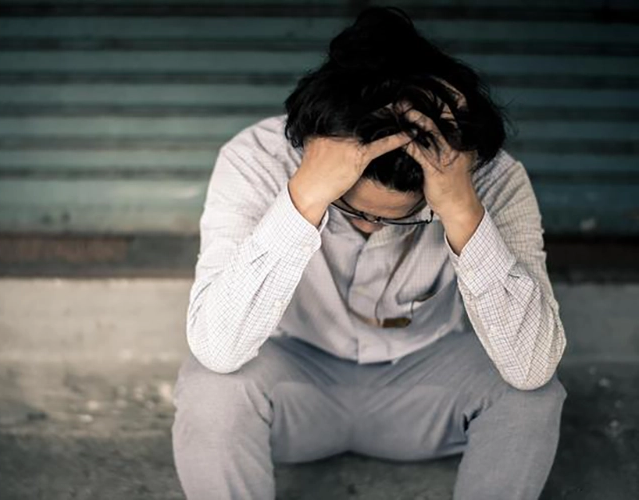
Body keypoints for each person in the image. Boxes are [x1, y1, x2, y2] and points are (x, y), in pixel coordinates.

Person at [171, 6, 567, 500]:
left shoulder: (490, 175)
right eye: (351, 209)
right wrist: (306, 198)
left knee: (533, 395)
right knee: (211, 386)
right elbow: (217, 347)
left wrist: (464, 212)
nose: (367, 227)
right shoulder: (257, 157)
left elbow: (531, 367)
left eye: (397, 218)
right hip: (296, 387)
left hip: (425, 387)